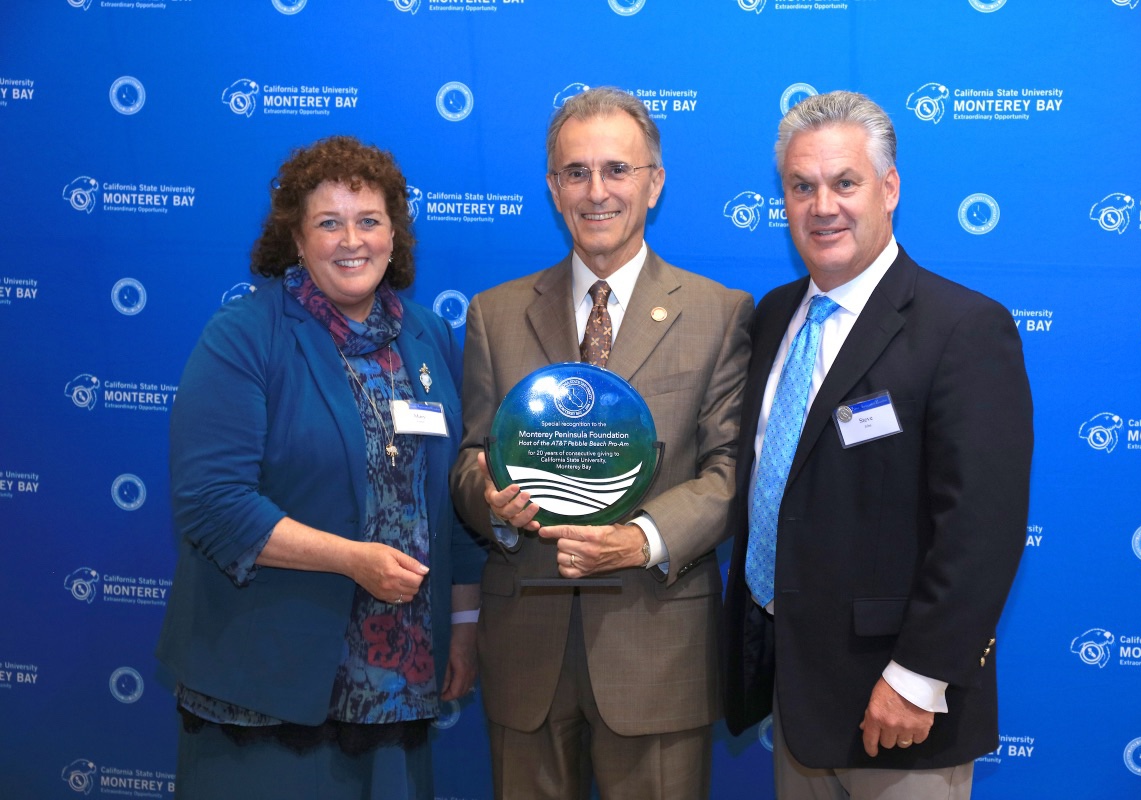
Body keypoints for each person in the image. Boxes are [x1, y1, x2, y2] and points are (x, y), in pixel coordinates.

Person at [722, 91, 1033, 799]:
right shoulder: (773, 317)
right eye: (802, 187)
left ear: (889, 189)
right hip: (795, 694)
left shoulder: (964, 328)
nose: (822, 205)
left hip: (899, 710)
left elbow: (981, 531)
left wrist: (919, 680)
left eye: (845, 183)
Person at [157, 135, 485, 799]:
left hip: (398, 680)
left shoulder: (428, 338)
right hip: (267, 683)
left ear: (395, 235)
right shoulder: (245, 337)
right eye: (328, 223)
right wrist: (351, 559)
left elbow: (446, 499)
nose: (351, 241)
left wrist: (464, 627)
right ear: (296, 241)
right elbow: (212, 503)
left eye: (368, 221)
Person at [449, 87, 753, 799]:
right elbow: (468, 458)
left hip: (656, 645)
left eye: (617, 170)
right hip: (526, 642)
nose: (597, 192)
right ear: (553, 188)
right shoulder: (495, 314)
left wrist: (641, 538)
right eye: (576, 172)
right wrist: (492, 503)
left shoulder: (719, 313)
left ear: (655, 181)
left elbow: (729, 473)